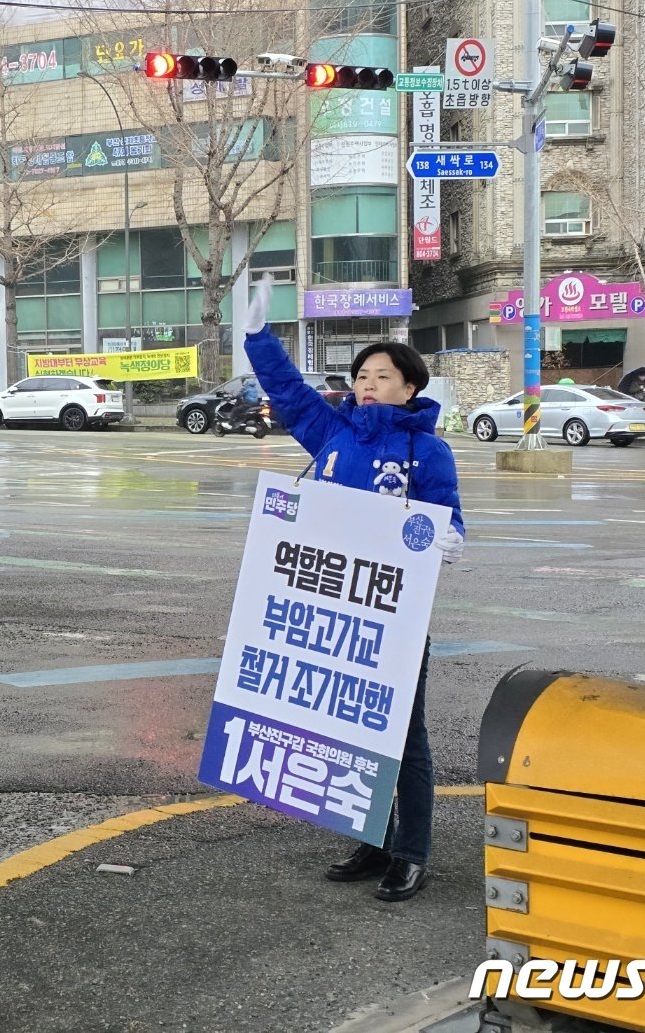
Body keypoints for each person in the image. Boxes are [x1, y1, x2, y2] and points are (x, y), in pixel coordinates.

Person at [241, 275, 466, 903]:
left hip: (395, 611)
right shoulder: (330, 433)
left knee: (405, 735)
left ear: (411, 387)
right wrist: (259, 336)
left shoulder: (429, 451)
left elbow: (449, 517)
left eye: (383, 375)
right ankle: (371, 840)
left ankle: (411, 852)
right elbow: (285, 390)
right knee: (351, 727)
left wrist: (449, 537)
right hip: (330, 605)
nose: (368, 384)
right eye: (362, 375)